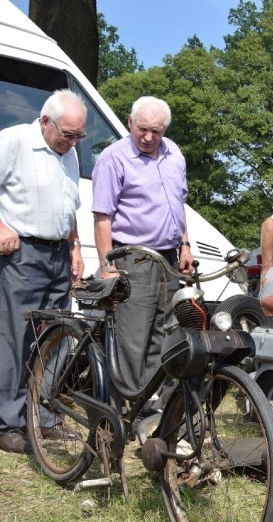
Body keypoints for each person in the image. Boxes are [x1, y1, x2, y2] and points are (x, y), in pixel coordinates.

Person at [0, 89, 87, 454]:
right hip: (22, 253)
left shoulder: (68, 153)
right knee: (14, 337)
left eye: (79, 136)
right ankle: (5, 426)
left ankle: (43, 415)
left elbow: (68, 203)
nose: (73, 142)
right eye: (68, 134)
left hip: (58, 254)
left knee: (56, 337)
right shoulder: (13, 141)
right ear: (45, 121)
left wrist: (75, 246)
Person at [92, 96, 193, 399]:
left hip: (169, 258)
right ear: (129, 122)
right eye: (143, 129)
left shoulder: (174, 153)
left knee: (162, 337)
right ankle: (121, 411)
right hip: (132, 258)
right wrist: (107, 265)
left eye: (156, 131)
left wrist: (185, 245)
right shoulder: (114, 158)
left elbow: (179, 204)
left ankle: (148, 407)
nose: (149, 137)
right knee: (132, 340)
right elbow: (102, 217)